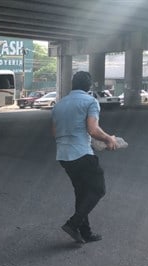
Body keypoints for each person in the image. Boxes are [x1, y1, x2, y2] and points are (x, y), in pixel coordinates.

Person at [51, 71, 118, 244]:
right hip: (81, 153)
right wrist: (108, 138)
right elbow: (93, 129)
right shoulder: (90, 101)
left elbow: (55, 132)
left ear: (72, 84)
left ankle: (85, 233)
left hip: (63, 156)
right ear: (89, 87)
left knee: (82, 193)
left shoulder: (59, 105)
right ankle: (72, 224)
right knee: (98, 189)